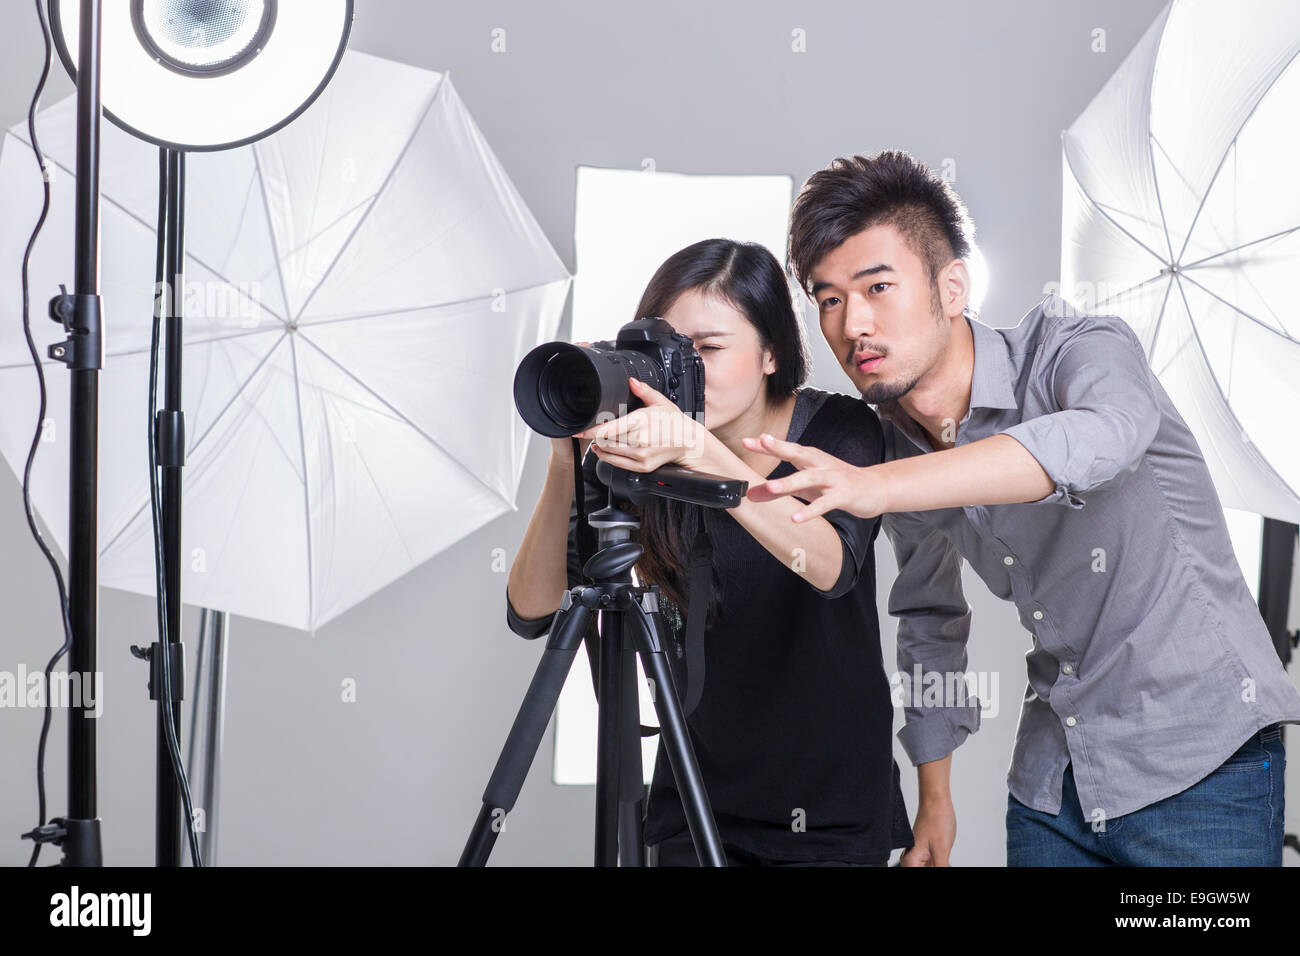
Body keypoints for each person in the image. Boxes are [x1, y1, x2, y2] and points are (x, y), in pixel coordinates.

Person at [744, 149, 1300, 866]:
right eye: (828, 299)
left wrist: (879, 486)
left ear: (953, 287)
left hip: (1201, 763)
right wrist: (935, 801)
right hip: (1054, 782)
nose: (854, 324)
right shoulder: (897, 447)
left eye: (878, 286)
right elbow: (928, 618)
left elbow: (1103, 437)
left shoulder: (1080, 350)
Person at [505, 237, 913, 865]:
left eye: (710, 350)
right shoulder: (640, 456)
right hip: (694, 798)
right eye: (670, 353)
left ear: (772, 351)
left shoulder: (838, 431)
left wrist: (702, 453)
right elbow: (530, 611)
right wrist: (567, 460)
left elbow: (830, 568)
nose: (686, 371)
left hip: (826, 809)